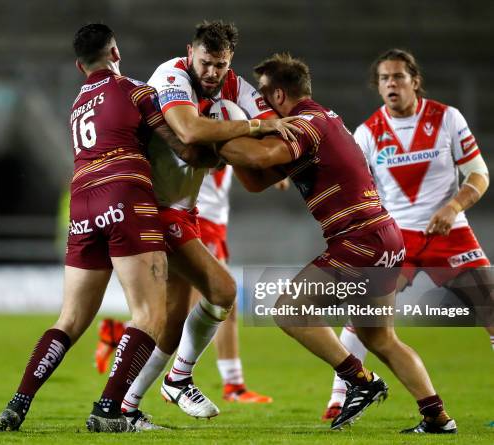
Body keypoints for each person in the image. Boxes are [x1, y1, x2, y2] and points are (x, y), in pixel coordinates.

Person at [215, 52, 457, 433]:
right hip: (382, 236)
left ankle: (360, 382)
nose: (258, 104)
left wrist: (214, 132)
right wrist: (235, 146)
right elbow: (257, 179)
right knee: (380, 337)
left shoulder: (305, 123)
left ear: (279, 96)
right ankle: (437, 416)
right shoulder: (324, 119)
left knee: (289, 309)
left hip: (358, 240)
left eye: (262, 95)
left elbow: (260, 157)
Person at [0, 23, 205, 433]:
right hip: (125, 192)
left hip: (82, 201)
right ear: (116, 53)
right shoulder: (135, 91)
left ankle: (18, 404)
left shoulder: (77, 105)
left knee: (69, 318)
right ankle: (108, 409)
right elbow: (182, 147)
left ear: (79, 65)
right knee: (149, 314)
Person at [117, 20, 296, 421]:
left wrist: (271, 144)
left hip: (184, 207)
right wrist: (253, 128)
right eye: (205, 62)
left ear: (229, 62)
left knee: (173, 316)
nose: (212, 72)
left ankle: (126, 406)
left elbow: (277, 133)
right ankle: (176, 379)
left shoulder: (234, 89)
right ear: (190, 53)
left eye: (221, 64)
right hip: (152, 204)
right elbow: (188, 128)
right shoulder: (172, 74)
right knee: (222, 291)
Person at [323, 48, 492, 424]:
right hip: (396, 239)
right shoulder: (367, 133)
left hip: (450, 232)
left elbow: (479, 173)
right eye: (384, 78)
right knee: (362, 316)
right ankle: (339, 400)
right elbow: (353, 184)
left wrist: (452, 208)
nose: (391, 84)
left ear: (415, 81)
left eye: (398, 77)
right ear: (378, 86)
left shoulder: (447, 118)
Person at [95, 166, 274, 404]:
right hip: (199, 216)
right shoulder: (215, 129)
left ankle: (122, 341)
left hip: (210, 218)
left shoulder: (234, 128)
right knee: (219, 299)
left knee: (196, 307)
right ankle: (227, 384)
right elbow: (230, 153)